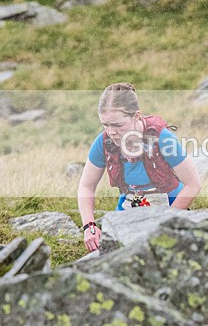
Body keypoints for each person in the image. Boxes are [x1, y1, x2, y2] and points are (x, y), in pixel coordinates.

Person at [77, 83, 201, 251]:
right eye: (105, 124)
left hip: (171, 208)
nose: (111, 131)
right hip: (129, 207)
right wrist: (89, 227)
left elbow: (193, 184)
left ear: (136, 116)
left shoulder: (163, 138)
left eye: (118, 125)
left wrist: (166, 223)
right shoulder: (103, 142)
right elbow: (86, 186)